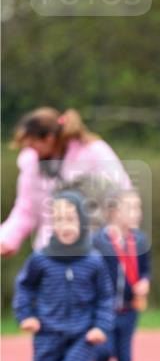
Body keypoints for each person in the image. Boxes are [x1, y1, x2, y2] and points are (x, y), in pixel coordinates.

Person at [12, 191, 114, 361]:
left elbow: (105, 297)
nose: (65, 225)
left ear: (81, 222)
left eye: (70, 219)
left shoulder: (94, 261)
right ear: (52, 224)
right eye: (58, 219)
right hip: (47, 332)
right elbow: (25, 287)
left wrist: (100, 326)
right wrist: (26, 316)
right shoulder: (41, 259)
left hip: (83, 334)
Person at [0, 107, 131, 256]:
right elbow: (26, 210)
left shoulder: (94, 152)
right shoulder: (31, 163)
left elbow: (121, 195)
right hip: (50, 251)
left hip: (97, 249)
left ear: (49, 139)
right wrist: (6, 239)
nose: (30, 150)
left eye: (33, 144)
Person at [84, 189, 151, 361]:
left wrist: (144, 282)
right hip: (104, 311)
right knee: (103, 352)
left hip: (129, 310)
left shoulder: (140, 240)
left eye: (138, 208)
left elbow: (145, 271)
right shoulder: (98, 240)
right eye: (131, 208)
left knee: (125, 357)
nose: (137, 214)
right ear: (114, 211)